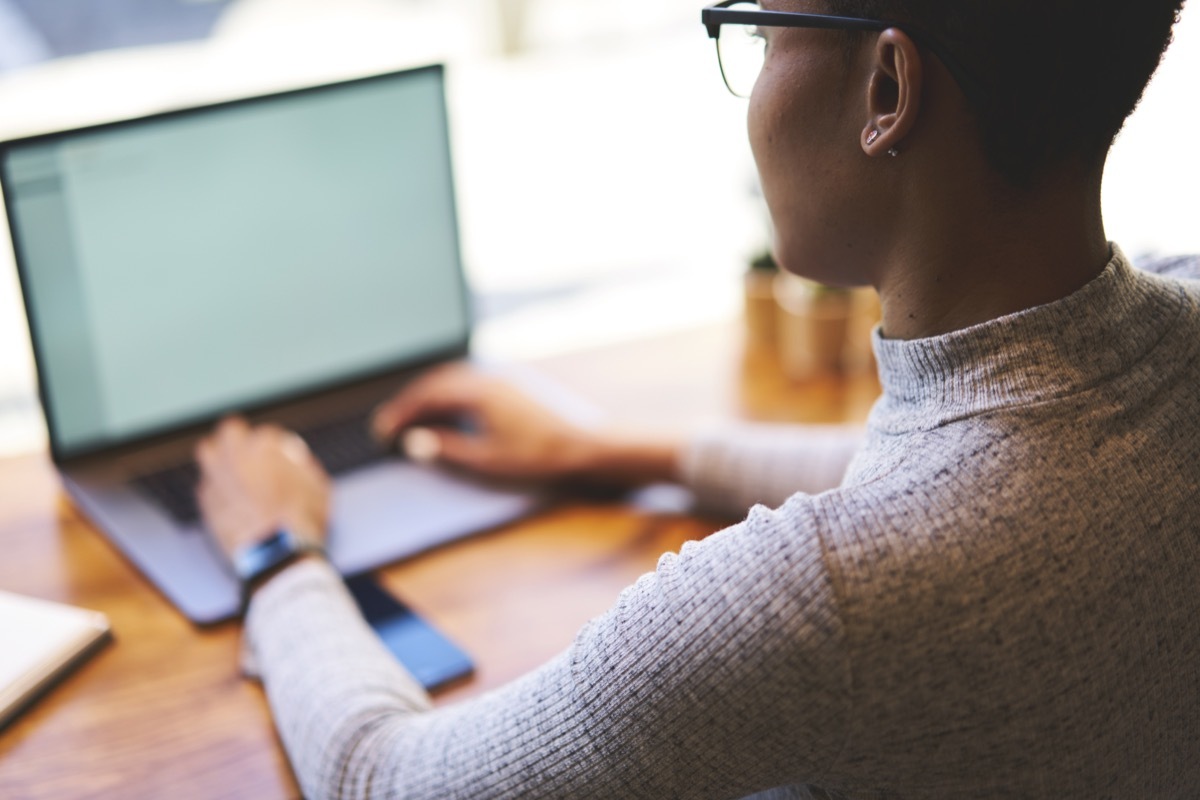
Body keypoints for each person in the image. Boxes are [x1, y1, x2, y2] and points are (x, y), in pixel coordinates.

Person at [195, 0, 1200, 796]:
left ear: (886, 88)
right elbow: (979, 467)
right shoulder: (1176, 335)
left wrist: (277, 551)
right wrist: (618, 449)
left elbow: (384, 777)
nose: (755, 86)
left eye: (763, 33)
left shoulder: (819, 602)